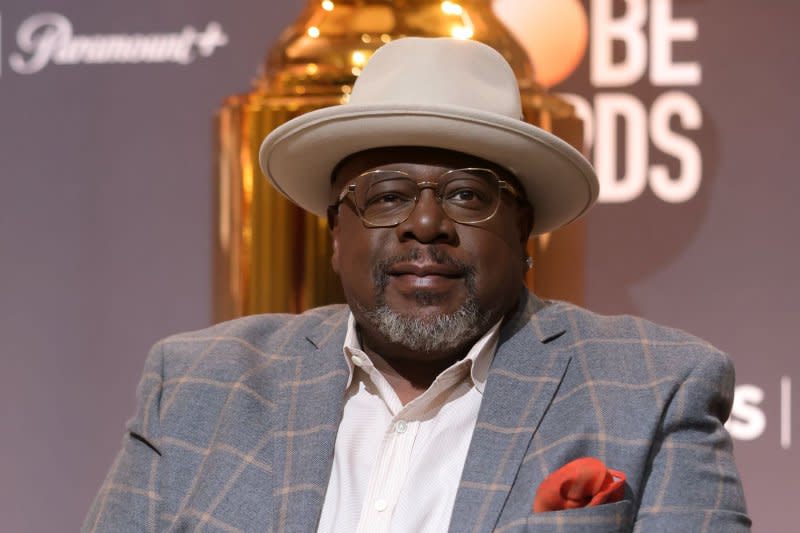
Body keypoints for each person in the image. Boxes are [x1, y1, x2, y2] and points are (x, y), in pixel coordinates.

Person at [84, 38, 749, 532]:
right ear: (335, 234)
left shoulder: (656, 389)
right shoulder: (198, 385)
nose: (425, 223)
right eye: (387, 195)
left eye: (465, 194)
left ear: (524, 232)